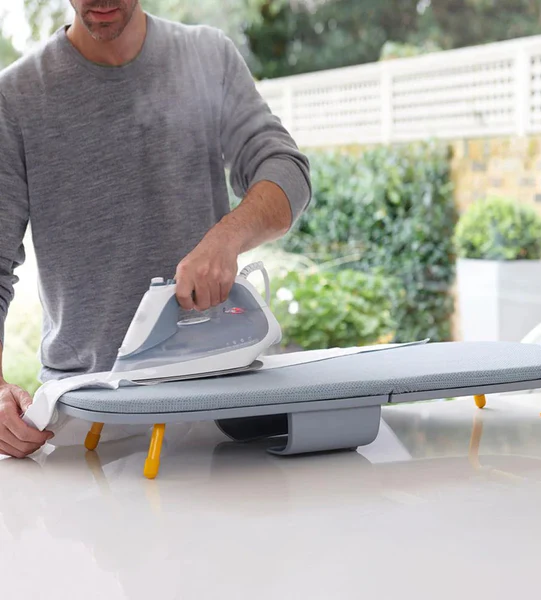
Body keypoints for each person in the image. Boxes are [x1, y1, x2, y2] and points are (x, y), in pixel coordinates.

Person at [0, 0, 311, 458]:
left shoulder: (207, 57)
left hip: (219, 408)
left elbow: (287, 171)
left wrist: (225, 239)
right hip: (89, 413)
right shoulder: (17, 96)